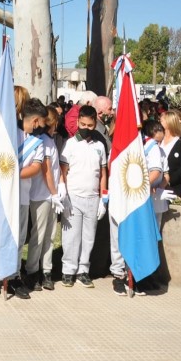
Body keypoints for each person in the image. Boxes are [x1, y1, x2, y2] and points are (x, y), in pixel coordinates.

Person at [0, 97, 46, 299]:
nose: (43, 127)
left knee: (19, 238)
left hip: (22, 196)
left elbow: (36, 168)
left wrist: (13, 174)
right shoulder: (10, 132)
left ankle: (13, 274)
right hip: (3, 196)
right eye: (42, 122)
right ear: (35, 120)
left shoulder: (38, 142)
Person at [59, 104, 108, 289]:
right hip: (73, 196)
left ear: (95, 124)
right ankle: (68, 270)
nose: (85, 128)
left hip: (93, 198)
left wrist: (104, 198)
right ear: (78, 121)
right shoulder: (70, 144)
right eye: (83, 124)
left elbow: (103, 173)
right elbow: (63, 172)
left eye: (89, 125)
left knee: (89, 237)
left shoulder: (99, 146)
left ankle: (83, 270)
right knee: (71, 236)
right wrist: (64, 194)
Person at [25, 106, 64, 291]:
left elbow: (55, 170)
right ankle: (32, 270)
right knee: (39, 235)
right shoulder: (43, 141)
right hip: (41, 194)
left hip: (50, 195)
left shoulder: (50, 140)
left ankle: (46, 270)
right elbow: (46, 169)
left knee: (50, 235)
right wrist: (54, 192)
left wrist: (59, 187)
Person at [160, 109, 181, 196]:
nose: (160, 120)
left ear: (170, 122)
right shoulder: (158, 140)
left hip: (173, 188)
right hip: (157, 186)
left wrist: (168, 181)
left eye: (163, 119)